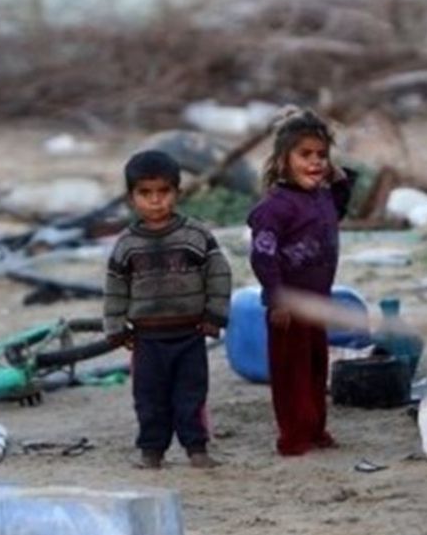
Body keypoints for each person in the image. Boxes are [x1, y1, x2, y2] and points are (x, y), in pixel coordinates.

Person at [104, 150, 232, 469]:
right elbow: (116, 287)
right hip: (147, 339)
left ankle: (197, 449)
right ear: (131, 198)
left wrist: (214, 316)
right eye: (145, 193)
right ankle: (152, 451)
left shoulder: (195, 235)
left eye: (164, 191)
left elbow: (219, 274)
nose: (155, 201)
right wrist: (116, 328)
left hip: (190, 334)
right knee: (149, 399)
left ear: (178, 193)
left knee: (191, 395)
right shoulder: (127, 244)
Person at [247, 110, 354, 456]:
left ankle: (316, 429)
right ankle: (293, 437)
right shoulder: (275, 207)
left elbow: (339, 207)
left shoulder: (321, 198)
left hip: (317, 302)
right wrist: (277, 298)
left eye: (321, 155)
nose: (315, 162)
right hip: (289, 306)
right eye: (305, 154)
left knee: (315, 367)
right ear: (283, 160)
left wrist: (339, 178)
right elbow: (262, 256)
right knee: (290, 372)